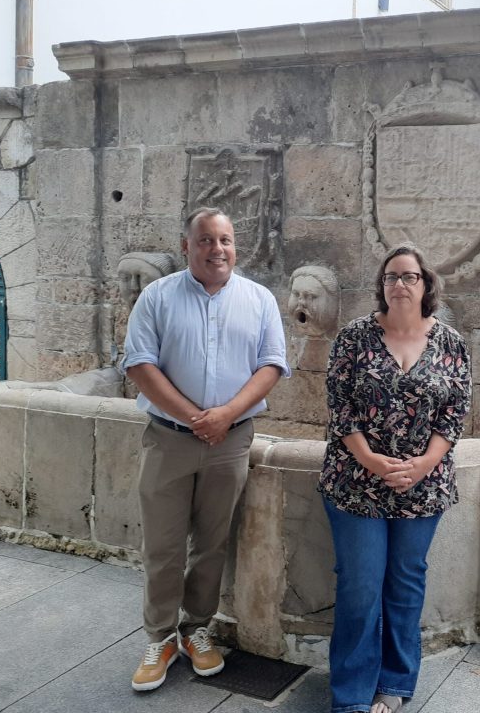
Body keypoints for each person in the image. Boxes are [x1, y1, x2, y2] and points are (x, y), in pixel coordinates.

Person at [123, 206, 290, 692]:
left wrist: (223, 416)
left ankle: (197, 630)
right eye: (206, 240)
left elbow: (272, 365)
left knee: (212, 543)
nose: (217, 249)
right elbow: (139, 363)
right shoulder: (157, 296)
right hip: (168, 440)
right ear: (187, 247)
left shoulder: (258, 299)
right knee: (163, 546)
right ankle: (159, 637)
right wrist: (196, 417)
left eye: (226, 240)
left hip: (230, 442)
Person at [319, 243, 472, 713]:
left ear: (425, 284)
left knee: (405, 583)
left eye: (408, 277)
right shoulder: (354, 337)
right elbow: (339, 406)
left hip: (422, 487)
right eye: (391, 277)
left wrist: (423, 464)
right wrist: (372, 461)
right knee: (361, 585)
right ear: (381, 286)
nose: (399, 284)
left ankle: (396, 683)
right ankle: (350, 695)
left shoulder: (450, 343)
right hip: (355, 482)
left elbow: (455, 412)